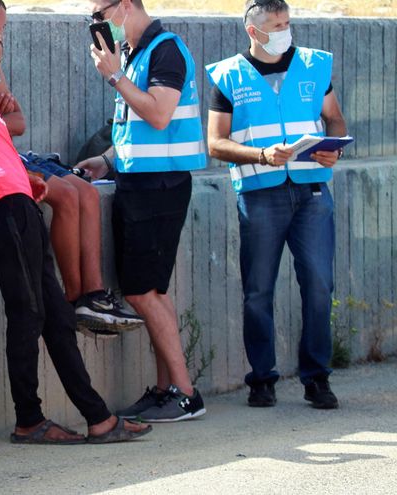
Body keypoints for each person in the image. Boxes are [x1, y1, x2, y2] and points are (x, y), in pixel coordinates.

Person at [0, 32, 152, 444]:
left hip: (20, 204)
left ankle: (98, 418)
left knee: (57, 316)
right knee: (28, 313)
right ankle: (28, 420)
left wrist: (26, 178)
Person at [0, 0, 142, 333]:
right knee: (69, 196)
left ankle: (95, 294)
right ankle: (74, 299)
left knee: (86, 191)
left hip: (10, 156)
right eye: (3, 23)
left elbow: (19, 122)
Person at [206, 0, 347, 409]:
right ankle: (262, 379)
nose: (286, 30)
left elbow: (334, 119)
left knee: (320, 285)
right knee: (257, 291)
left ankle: (317, 378)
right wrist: (263, 156)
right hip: (260, 193)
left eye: (287, 22)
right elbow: (216, 143)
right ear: (254, 31)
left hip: (312, 192)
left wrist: (334, 148)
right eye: (276, 24)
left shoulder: (314, 64)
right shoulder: (228, 76)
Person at [83, 0, 207, 422]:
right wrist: (109, 159)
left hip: (160, 186)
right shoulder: (136, 54)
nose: (97, 22)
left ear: (126, 5)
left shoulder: (165, 49)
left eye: (100, 12)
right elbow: (138, 126)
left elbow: (158, 113)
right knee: (152, 293)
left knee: (140, 292)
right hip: (141, 181)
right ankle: (166, 389)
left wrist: (115, 76)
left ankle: (186, 395)